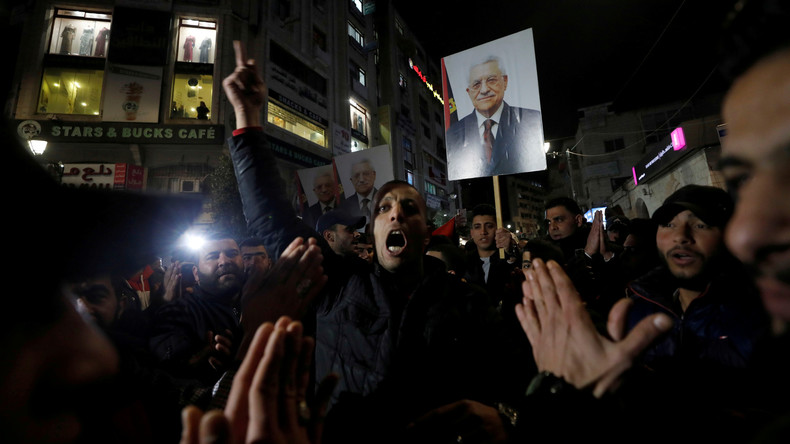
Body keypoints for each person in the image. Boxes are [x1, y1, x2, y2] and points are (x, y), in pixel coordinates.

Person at [223, 40, 520, 444]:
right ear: (374, 231)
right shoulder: (338, 284)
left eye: (409, 209)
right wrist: (247, 116)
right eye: (384, 209)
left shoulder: (468, 302)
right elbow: (271, 218)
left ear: (426, 233)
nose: (396, 214)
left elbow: (510, 382)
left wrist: (507, 420)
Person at [148, 231, 243, 383]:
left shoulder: (261, 302)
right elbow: (164, 364)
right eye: (213, 256)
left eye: (232, 253)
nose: (224, 261)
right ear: (196, 274)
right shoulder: (179, 311)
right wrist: (196, 362)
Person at [446, 55, 544, 180]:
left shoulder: (532, 122)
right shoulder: (454, 134)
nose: (484, 90)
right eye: (476, 84)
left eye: (491, 80)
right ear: (468, 91)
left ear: (505, 82)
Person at [339, 158, 377, 227]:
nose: (361, 180)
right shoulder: (344, 206)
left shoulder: (385, 199)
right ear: (351, 180)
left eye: (366, 174)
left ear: (374, 175)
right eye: (356, 176)